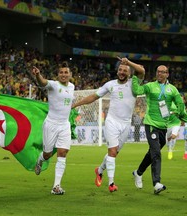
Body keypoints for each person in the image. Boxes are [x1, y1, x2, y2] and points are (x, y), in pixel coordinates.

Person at [72, 57, 145, 192]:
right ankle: (111, 184)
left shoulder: (133, 83)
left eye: (125, 70)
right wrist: (76, 104)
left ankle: (99, 171)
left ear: (129, 73)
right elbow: (93, 97)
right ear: (117, 71)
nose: (122, 72)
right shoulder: (110, 84)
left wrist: (127, 62)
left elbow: (141, 70)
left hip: (126, 123)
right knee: (111, 151)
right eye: (120, 70)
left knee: (114, 153)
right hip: (112, 121)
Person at [132, 65, 187, 194]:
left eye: (163, 72)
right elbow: (136, 91)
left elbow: (180, 105)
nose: (160, 74)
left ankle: (138, 172)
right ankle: (156, 183)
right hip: (151, 124)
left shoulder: (172, 90)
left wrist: (182, 115)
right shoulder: (150, 86)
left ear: (167, 74)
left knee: (152, 153)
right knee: (156, 153)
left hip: (163, 126)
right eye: (158, 72)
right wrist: (135, 76)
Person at [32, 62, 74, 195]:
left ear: (70, 75)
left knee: (63, 153)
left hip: (64, 125)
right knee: (47, 154)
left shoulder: (72, 86)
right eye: (61, 72)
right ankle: (40, 160)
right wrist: (38, 75)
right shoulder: (54, 85)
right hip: (51, 124)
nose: (64, 75)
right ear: (58, 75)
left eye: (66, 72)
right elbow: (43, 83)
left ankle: (56, 186)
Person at [165, 94, 186, 160]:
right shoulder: (169, 103)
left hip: (176, 123)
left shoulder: (181, 106)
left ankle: (171, 150)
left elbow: (183, 115)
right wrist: (170, 112)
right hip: (168, 124)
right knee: (167, 140)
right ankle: (169, 149)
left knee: (174, 136)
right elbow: (164, 113)